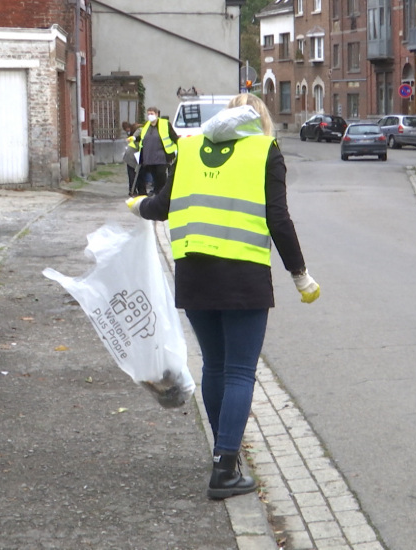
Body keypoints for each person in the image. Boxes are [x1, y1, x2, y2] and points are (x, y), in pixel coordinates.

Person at [126, 93, 320, 499]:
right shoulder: (265, 150)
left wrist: (138, 206)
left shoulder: (191, 146)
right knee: (238, 372)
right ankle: (224, 468)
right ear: (260, 119)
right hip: (243, 276)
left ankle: (223, 455)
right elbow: (278, 219)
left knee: (215, 366)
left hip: (195, 275)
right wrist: (299, 274)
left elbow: (163, 204)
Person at [134, 107, 178, 196]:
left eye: (152, 113)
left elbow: (174, 137)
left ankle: (163, 193)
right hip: (149, 157)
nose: (150, 116)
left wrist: (181, 144)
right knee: (154, 176)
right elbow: (143, 137)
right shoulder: (147, 125)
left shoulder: (165, 124)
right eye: (149, 114)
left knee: (161, 174)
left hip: (162, 156)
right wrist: (135, 138)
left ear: (157, 114)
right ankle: (157, 192)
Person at [122, 123, 142, 196]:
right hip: (133, 154)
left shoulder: (136, 132)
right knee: (134, 174)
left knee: (131, 173)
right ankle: (133, 191)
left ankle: (132, 190)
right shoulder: (141, 130)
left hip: (130, 154)